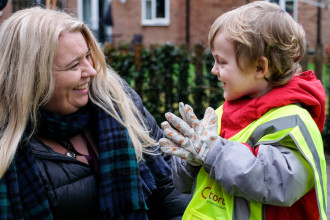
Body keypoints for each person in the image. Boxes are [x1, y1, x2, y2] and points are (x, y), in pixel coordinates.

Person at [0, 7, 190, 219]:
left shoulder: (117, 101)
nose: (91, 71)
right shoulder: (6, 151)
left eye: (88, 56)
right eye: (74, 65)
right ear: (32, 78)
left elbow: (169, 189)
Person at [159, 1, 327, 220]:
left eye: (221, 62)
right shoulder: (221, 114)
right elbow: (185, 185)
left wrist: (213, 152)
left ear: (259, 68)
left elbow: (278, 183)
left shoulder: (293, 121)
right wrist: (190, 161)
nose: (214, 70)